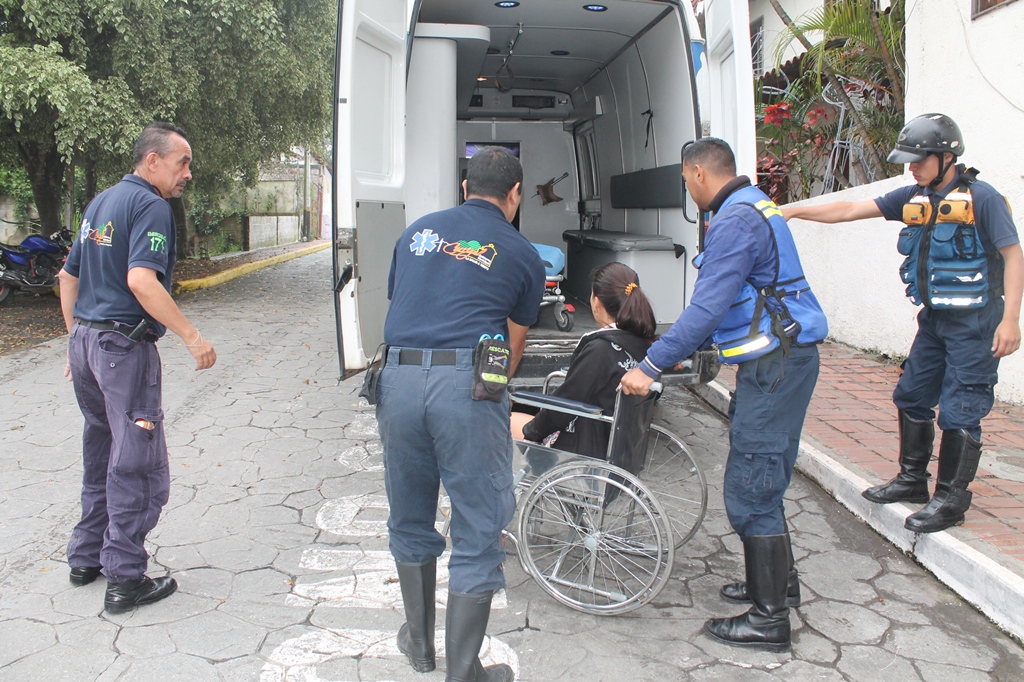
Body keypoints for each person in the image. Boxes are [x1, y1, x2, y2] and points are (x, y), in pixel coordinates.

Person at [621, 137, 828, 653]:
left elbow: (707, 308)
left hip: (776, 365)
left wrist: (650, 364)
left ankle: (768, 620)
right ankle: (778, 586)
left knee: (752, 487)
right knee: (767, 473)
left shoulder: (734, 220)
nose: (687, 188)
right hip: (781, 361)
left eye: (686, 180)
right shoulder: (753, 204)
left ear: (696, 173)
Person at [782, 113, 1023, 534]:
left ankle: (950, 499)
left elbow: (1013, 255)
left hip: (977, 322)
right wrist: (792, 211)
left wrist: (1010, 320)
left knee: (960, 409)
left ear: (946, 156)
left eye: (918, 159)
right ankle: (913, 481)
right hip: (934, 320)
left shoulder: (982, 198)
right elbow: (849, 208)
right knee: (911, 395)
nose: (911, 167)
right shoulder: (915, 197)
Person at [375, 147, 545, 682]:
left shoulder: (416, 234)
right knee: (477, 527)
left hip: (396, 379)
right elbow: (512, 351)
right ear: (514, 195)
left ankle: (420, 646)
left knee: (409, 514)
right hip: (466, 386)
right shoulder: (521, 252)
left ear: (466, 187)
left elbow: (401, 305)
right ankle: (464, 671)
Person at [58, 122, 217, 614]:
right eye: (181, 162)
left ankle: (86, 559)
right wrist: (193, 337)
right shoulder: (150, 205)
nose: (187, 172)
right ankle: (125, 578)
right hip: (123, 349)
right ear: (152, 161)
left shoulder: (100, 203)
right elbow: (141, 281)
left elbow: (67, 277)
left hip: (88, 341)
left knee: (101, 447)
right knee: (137, 463)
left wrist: (75, 344)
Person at [511, 262, 656, 459]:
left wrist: (533, 432)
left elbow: (564, 406)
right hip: (618, 446)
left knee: (501, 421)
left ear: (596, 302)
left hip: (583, 445)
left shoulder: (600, 350)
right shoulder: (646, 343)